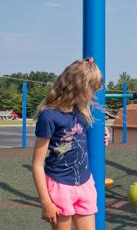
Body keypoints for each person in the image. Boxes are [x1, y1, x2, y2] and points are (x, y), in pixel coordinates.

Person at [32, 58, 110, 230]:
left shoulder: (81, 112)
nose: (93, 95)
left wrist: (102, 136)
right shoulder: (49, 116)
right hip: (60, 185)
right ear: (78, 86)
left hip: (85, 183)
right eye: (91, 89)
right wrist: (46, 202)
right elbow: (37, 164)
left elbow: (82, 142)